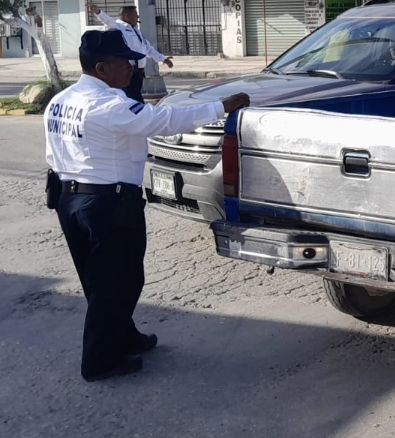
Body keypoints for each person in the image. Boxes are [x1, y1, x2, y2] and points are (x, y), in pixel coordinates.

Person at [45, 30, 250, 381]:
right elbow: (165, 121)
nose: (130, 67)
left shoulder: (60, 100)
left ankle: (123, 337)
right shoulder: (109, 105)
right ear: (101, 67)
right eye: (123, 62)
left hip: (70, 200)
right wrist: (223, 106)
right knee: (119, 282)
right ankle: (99, 361)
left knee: (101, 280)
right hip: (106, 204)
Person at [87, 3, 172, 102]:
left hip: (139, 72)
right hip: (128, 71)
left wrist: (163, 59)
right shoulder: (118, 27)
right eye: (135, 14)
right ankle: (139, 113)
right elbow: (108, 21)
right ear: (127, 16)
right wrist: (98, 12)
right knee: (134, 97)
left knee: (134, 95)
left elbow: (147, 48)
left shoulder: (136, 30)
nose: (137, 17)